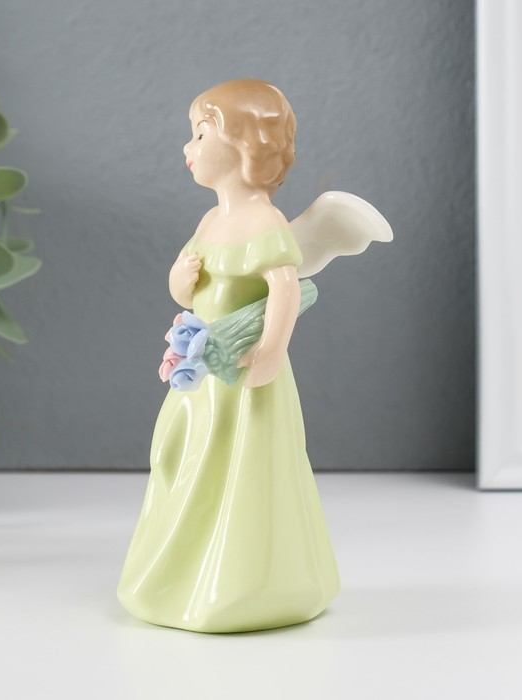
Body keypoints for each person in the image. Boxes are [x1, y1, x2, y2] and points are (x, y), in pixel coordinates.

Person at [117, 79, 340, 633]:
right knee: (178, 454)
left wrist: (269, 351)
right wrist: (180, 276)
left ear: (244, 145)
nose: (187, 147)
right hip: (202, 375)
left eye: (199, 134)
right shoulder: (210, 223)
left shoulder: (265, 222)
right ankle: (181, 572)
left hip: (242, 373)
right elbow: (187, 293)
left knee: (246, 466)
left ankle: (244, 583)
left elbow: (285, 289)